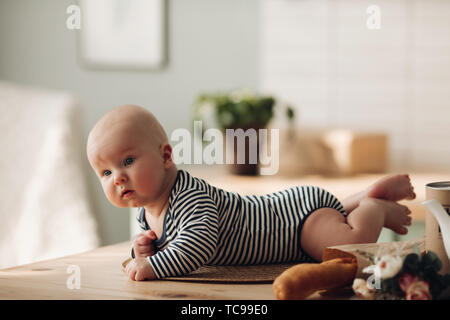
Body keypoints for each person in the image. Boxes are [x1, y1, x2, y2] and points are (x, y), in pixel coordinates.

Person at [86, 105, 416, 281]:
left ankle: (373, 207)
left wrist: (154, 267)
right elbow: (164, 242)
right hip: (291, 210)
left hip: (297, 225)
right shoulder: (149, 210)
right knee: (331, 219)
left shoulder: (191, 198)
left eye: (127, 161)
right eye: (105, 171)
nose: (118, 178)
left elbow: (196, 246)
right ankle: (355, 199)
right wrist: (143, 249)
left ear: (166, 156)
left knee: (341, 249)